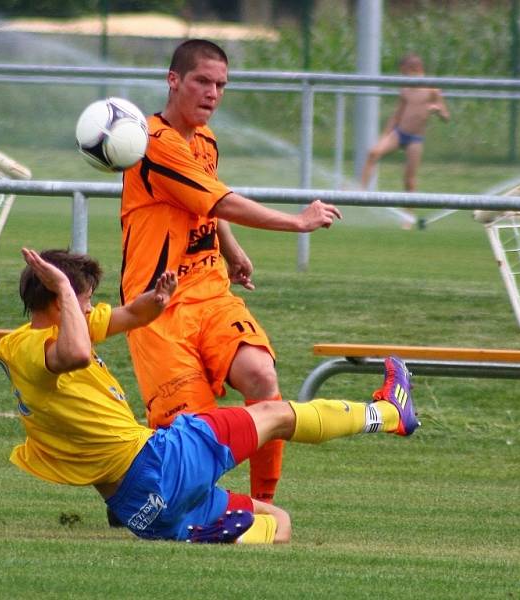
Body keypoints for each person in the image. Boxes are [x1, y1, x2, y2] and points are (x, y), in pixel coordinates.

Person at [0, 247, 420, 544]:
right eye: (81, 299)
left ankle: (206, 538)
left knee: (280, 524)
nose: (89, 308)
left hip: (141, 510)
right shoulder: (32, 349)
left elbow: (131, 315)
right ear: (58, 300)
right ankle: (389, 412)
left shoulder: (61, 331)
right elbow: (75, 353)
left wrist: (158, 300)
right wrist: (67, 290)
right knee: (273, 413)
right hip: (162, 463)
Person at [120, 39, 343, 504]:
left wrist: (231, 247)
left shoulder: (205, 140)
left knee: (262, 376)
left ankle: (265, 502)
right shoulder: (152, 144)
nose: (213, 93)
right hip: (156, 308)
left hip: (211, 291)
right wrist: (296, 222)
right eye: (203, 81)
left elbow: (206, 201)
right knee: (195, 440)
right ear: (173, 80)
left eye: (221, 84)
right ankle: (144, 494)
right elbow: (221, 199)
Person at [359, 53, 450, 228]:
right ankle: (360, 192)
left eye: (405, 72)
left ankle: (408, 217)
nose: (403, 76)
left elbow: (446, 116)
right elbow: (397, 114)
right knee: (373, 153)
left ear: (415, 69)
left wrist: (437, 109)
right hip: (399, 133)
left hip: (415, 139)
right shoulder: (405, 88)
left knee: (409, 180)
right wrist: (385, 136)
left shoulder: (432, 90)